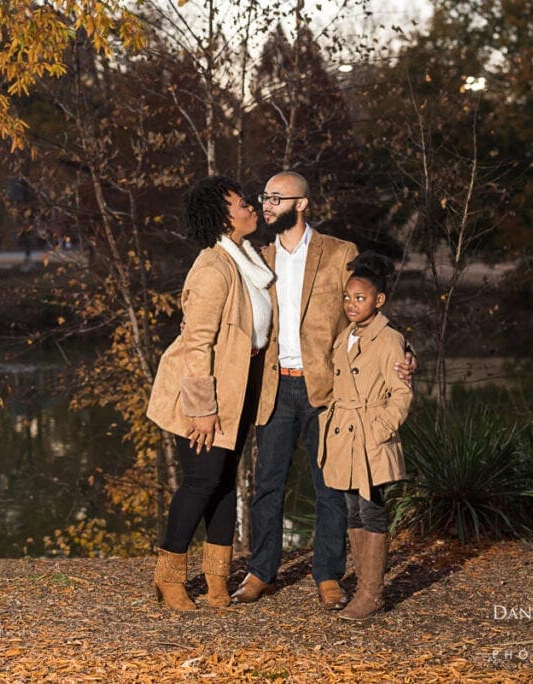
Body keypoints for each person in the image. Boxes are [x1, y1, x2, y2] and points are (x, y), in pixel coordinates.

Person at [232, 171, 416, 610]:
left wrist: (405, 353)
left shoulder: (339, 252)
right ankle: (261, 571)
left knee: (329, 487)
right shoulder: (256, 255)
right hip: (274, 389)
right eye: (265, 197)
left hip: (328, 391)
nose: (268, 205)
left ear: (302, 203)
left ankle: (329, 576)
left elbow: (366, 310)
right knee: (267, 486)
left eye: (277, 198)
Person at [146, 176, 274, 611]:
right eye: (242, 204)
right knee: (201, 482)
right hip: (204, 392)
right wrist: (202, 410)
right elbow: (198, 342)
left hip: (240, 389)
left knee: (223, 482)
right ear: (223, 216)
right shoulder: (213, 267)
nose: (251, 207)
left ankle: (218, 580)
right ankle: (169, 579)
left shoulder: (246, 260)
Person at [319, 251, 413, 620]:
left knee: (372, 511)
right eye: (347, 297)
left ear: (379, 300)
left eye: (360, 298)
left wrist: (381, 429)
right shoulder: (346, 335)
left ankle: (373, 594)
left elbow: (401, 392)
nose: (351, 304)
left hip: (370, 438)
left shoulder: (389, 339)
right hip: (344, 437)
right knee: (351, 511)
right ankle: (363, 588)